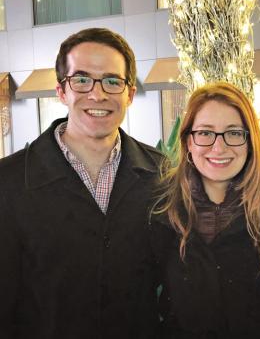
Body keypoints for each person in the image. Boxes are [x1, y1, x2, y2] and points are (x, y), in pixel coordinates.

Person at [0, 28, 166, 338]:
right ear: (62, 91)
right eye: (81, 79)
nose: (98, 94)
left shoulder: (162, 174)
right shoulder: (7, 183)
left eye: (112, 81)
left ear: (130, 93)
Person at [149, 82, 260, 338]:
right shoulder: (161, 205)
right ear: (188, 141)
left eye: (233, 133)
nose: (219, 148)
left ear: (250, 140)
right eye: (205, 133)